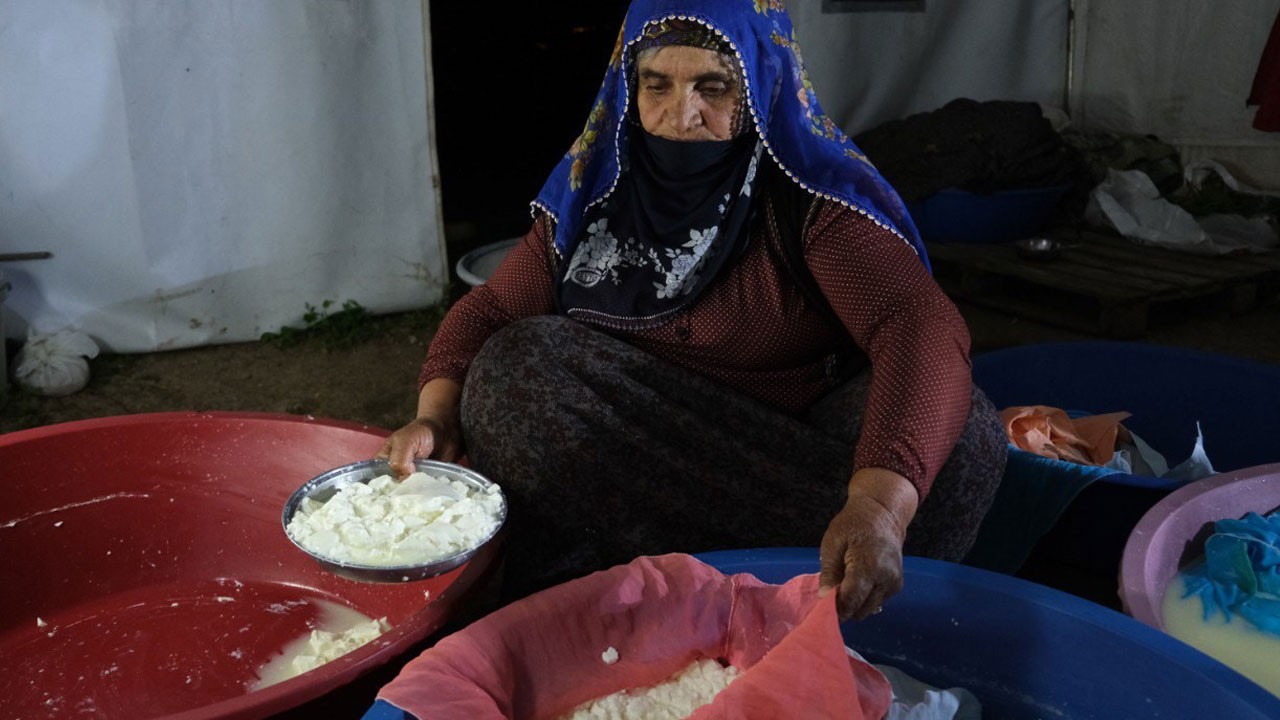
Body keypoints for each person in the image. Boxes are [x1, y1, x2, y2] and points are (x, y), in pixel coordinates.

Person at [378, 0, 1007, 621]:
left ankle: (765, 574)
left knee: (960, 438)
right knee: (512, 370)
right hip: (635, 445)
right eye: (657, 86)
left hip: (777, 446)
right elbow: (489, 311)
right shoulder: (594, 194)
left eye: (714, 88)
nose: (682, 116)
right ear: (628, 87)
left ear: (762, 87)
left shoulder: (803, 199)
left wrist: (877, 505)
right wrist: (434, 418)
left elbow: (915, 322)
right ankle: (763, 581)